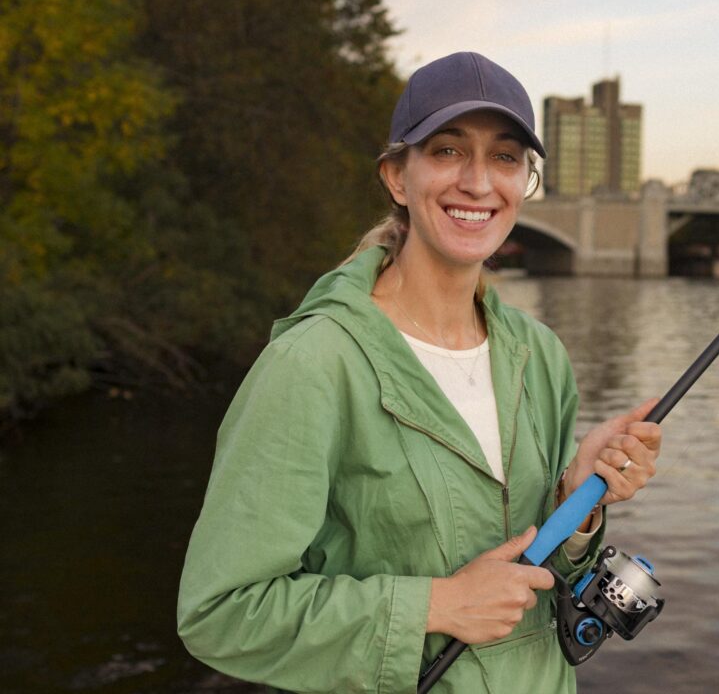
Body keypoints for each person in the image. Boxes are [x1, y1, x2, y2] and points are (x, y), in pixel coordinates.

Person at [177, 51, 662, 694]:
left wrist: (575, 501)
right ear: (397, 178)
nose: (479, 183)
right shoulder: (312, 364)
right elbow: (220, 615)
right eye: (447, 151)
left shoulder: (540, 355)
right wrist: (435, 605)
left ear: (525, 183)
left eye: (505, 157)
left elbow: (547, 585)